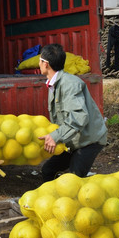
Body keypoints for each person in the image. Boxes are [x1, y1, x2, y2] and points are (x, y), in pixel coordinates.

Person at [38, 43, 107, 182]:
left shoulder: (70, 84)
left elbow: (79, 116)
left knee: (73, 180)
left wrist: (56, 136)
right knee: (47, 170)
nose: (38, 64)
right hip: (73, 141)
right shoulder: (54, 83)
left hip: (89, 141)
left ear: (46, 64)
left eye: (40, 61)